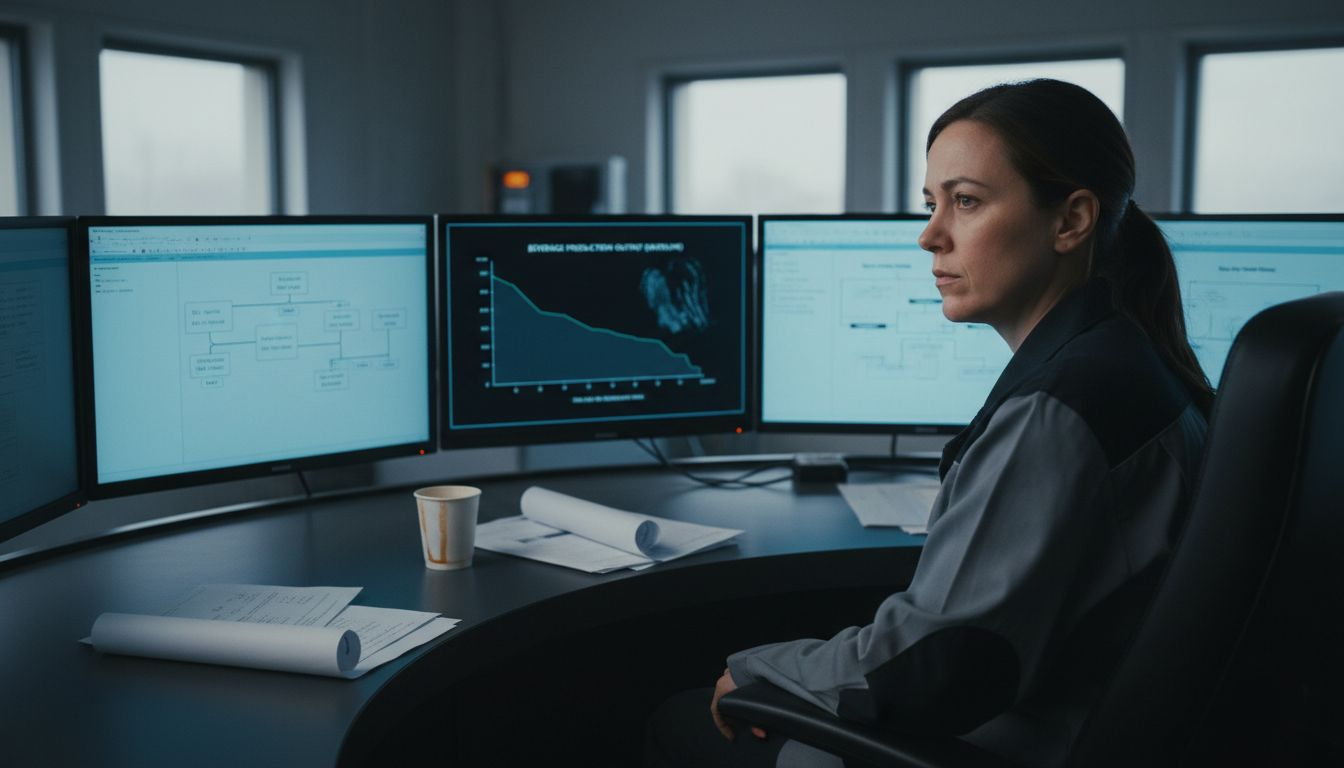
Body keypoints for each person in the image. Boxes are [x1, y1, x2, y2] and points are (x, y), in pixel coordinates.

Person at [645, 78, 1212, 768]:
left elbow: (936, 664)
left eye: (965, 201)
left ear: (1071, 221)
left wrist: (763, 668)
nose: (929, 236)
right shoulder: (1128, 361)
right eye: (931, 203)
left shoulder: (1056, 410)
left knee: (681, 722)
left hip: (1014, 743)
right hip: (1083, 726)